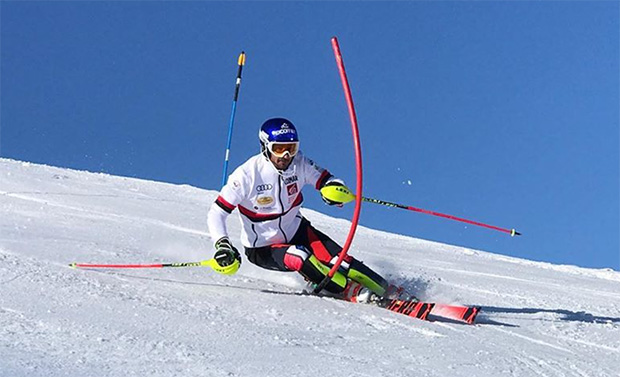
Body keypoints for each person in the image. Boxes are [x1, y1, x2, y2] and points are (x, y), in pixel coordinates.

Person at [206, 117, 395, 303]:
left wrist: (333, 190)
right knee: (300, 256)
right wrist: (222, 244)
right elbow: (217, 213)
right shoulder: (246, 175)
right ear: (265, 146)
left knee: (341, 260)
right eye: (279, 149)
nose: (286, 156)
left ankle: (389, 291)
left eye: (291, 148)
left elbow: (325, 179)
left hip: (298, 231)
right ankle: (349, 290)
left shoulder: (299, 163)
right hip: (263, 248)